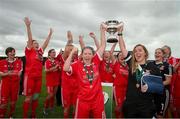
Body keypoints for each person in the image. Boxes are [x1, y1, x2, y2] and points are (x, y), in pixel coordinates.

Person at [63, 23, 107, 118]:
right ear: (82, 55)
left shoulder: (96, 61)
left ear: (92, 55)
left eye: (89, 54)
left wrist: (102, 31)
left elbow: (103, 45)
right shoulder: (77, 65)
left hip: (97, 100)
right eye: (85, 54)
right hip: (83, 101)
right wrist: (71, 53)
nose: (87, 55)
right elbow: (65, 68)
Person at [118, 24, 161, 118]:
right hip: (130, 105)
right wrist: (120, 33)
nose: (137, 53)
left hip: (146, 106)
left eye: (140, 50)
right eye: (135, 51)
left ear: (145, 53)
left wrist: (149, 87)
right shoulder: (132, 64)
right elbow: (123, 49)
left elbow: (159, 88)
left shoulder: (153, 68)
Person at [23, 17, 53, 118]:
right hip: (30, 77)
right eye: (34, 43)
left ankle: (33, 114)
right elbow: (30, 38)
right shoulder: (29, 51)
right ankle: (25, 116)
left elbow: (45, 43)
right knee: (28, 97)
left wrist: (50, 34)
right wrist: (28, 27)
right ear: (31, 45)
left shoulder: (40, 52)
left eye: (37, 43)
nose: (37, 44)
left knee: (35, 97)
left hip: (39, 77)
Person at [0, 47, 22, 118]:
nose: (13, 53)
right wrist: (12, 72)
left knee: (13, 102)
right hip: (5, 85)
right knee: (3, 103)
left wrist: (7, 73)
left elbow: (19, 73)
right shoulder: (1, 62)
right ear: (7, 53)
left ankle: (10, 115)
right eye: (11, 52)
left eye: (14, 51)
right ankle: (1, 116)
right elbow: (1, 74)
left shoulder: (19, 62)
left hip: (15, 85)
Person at [153, 48, 172, 118]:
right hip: (152, 94)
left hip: (163, 94)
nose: (157, 54)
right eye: (155, 52)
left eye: (159, 53)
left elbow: (168, 81)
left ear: (163, 55)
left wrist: (156, 85)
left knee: (160, 116)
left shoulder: (167, 66)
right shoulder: (150, 64)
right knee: (152, 114)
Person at [111, 50, 129, 118]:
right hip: (118, 89)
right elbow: (111, 53)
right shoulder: (116, 64)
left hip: (127, 89)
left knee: (125, 105)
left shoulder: (128, 66)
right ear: (117, 58)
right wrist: (115, 42)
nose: (122, 56)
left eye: (123, 55)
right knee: (119, 106)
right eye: (120, 55)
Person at [43, 49, 60, 116]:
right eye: (53, 52)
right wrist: (54, 68)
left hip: (56, 80)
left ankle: (51, 107)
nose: (54, 53)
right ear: (49, 54)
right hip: (50, 81)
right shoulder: (47, 61)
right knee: (50, 95)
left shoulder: (57, 61)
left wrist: (59, 68)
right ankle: (45, 108)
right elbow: (46, 70)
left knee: (54, 95)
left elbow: (59, 69)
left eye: (55, 52)